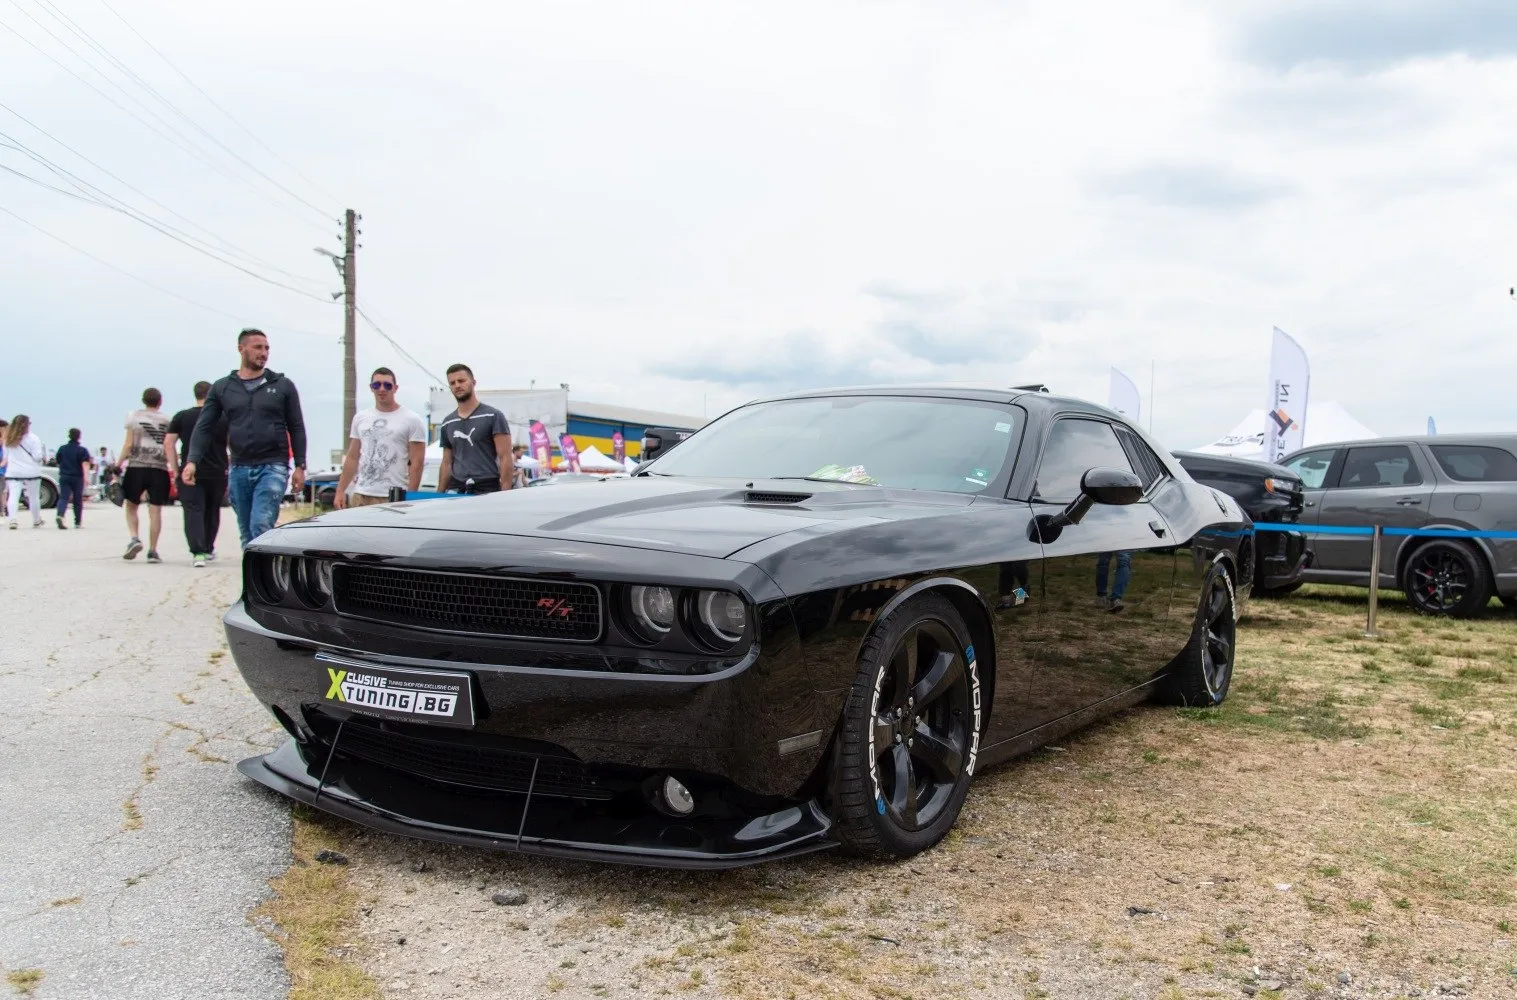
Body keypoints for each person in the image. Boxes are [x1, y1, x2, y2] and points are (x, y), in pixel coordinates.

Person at [183, 328, 307, 547]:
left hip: (273, 466)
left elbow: (296, 426)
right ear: (241, 349)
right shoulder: (223, 387)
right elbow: (204, 427)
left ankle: (262, 568)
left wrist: (300, 465)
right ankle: (254, 570)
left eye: (267, 348)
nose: (264, 353)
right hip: (239, 467)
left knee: (261, 524)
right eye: (258, 347)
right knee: (247, 531)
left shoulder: (282, 385)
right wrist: (192, 460)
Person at [335, 367, 426, 509]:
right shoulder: (361, 418)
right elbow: (352, 457)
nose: (382, 389)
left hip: (393, 496)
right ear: (371, 388)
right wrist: (340, 490)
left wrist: (410, 496)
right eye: (377, 385)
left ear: (395, 388)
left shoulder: (412, 419)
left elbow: (417, 463)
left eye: (387, 385)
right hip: (361, 494)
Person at [166, 380, 229, 567]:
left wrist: (176, 470)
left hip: (190, 470)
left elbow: (169, 443)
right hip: (217, 470)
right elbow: (233, 442)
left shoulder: (182, 417)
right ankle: (208, 548)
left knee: (193, 510)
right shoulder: (224, 417)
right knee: (212, 510)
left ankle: (198, 552)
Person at [436, 363, 513, 494]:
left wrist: (505, 494)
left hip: (487, 488)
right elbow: (446, 463)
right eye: (452, 383)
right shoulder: (447, 422)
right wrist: (439, 495)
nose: (457, 385)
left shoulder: (493, 416)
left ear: (473, 382)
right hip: (457, 489)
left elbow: (505, 457)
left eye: (461, 381)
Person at [120, 388, 173, 561]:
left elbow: (128, 444)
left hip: (137, 466)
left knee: (131, 505)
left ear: (143, 400)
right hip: (159, 468)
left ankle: (134, 538)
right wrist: (175, 468)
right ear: (160, 401)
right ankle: (153, 550)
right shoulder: (167, 420)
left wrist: (118, 463)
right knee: (155, 510)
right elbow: (169, 445)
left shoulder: (133, 417)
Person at [4, 415, 46, 529]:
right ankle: (36, 520)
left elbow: (6, 456)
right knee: (33, 497)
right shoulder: (33, 438)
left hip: (13, 471)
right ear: (27, 424)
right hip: (31, 471)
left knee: (13, 496)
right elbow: (37, 456)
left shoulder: (8, 437)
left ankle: (13, 519)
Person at [53, 429, 94, 529]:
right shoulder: (82, 450)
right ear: (79, 437)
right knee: (77, 499)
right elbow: (85, 464)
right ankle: (77, 522)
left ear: (69, 436)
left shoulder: (62, 448)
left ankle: (60, 515)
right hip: (77, 478)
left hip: (64, 476)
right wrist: (86, 477)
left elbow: (58, 460)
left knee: (63, 497)